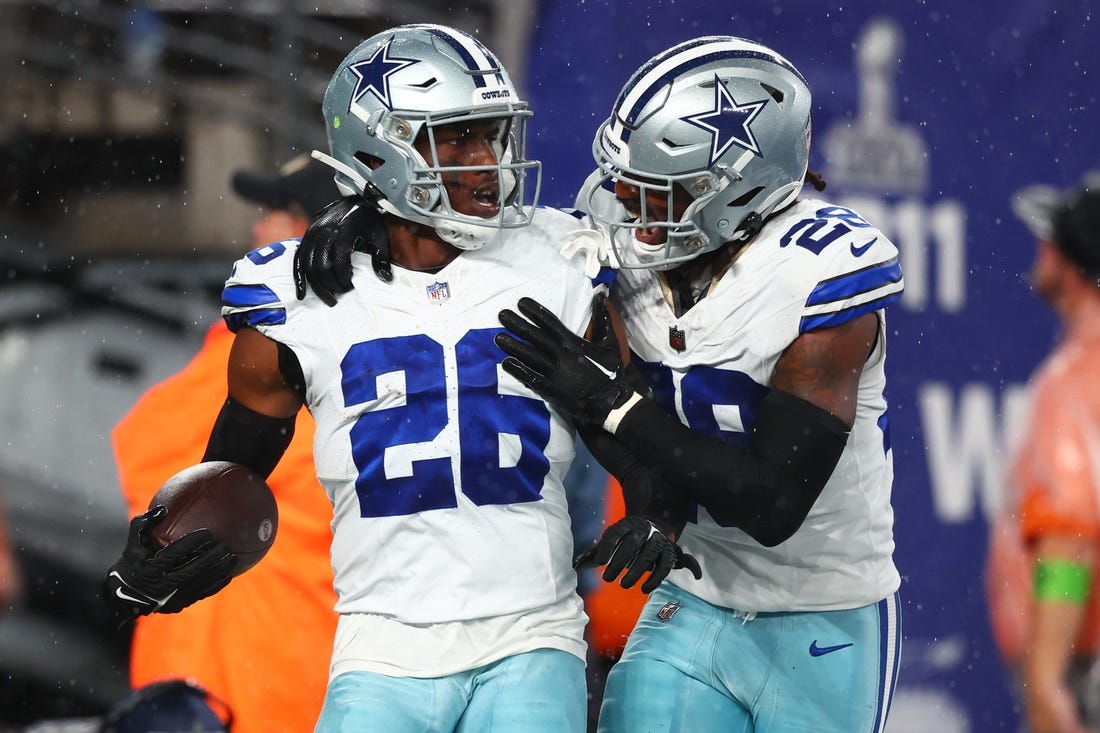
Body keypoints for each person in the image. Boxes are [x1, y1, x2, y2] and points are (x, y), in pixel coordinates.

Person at [100, 24, 662, 733]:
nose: (487, 160)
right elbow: (228, 463)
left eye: (492, 135)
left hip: (531, 629)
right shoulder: (297, 296)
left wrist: (654, 501)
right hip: (379, 644)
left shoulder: (560, 258)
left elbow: (641, 415)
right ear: (379, 150)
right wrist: (165, 541)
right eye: (457, 138)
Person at [494, 36, 905, 732]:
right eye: (625, 179)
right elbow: (478, 240)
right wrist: (360, 223)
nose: (625, 203)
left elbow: (772, 504)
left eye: (654, 187)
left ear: (733, 188)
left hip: (826, 609)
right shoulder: (630, 252)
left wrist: (615, 404)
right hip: (700, 595)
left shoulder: (817, 279)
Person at [110, 154, 340, 733]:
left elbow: (143, 452)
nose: (257, 230)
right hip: (319, 674)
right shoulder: (379, 362)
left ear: (309, 232)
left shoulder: (267, 352)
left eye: (274, 214)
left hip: (240, 676)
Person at [986, 181, 1100, 733]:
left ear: (1069, 258)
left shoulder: (1075, 377)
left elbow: (1070, 536)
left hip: (1084, 666)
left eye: (1051, 241)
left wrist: (1049, 676)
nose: (1040, 251)